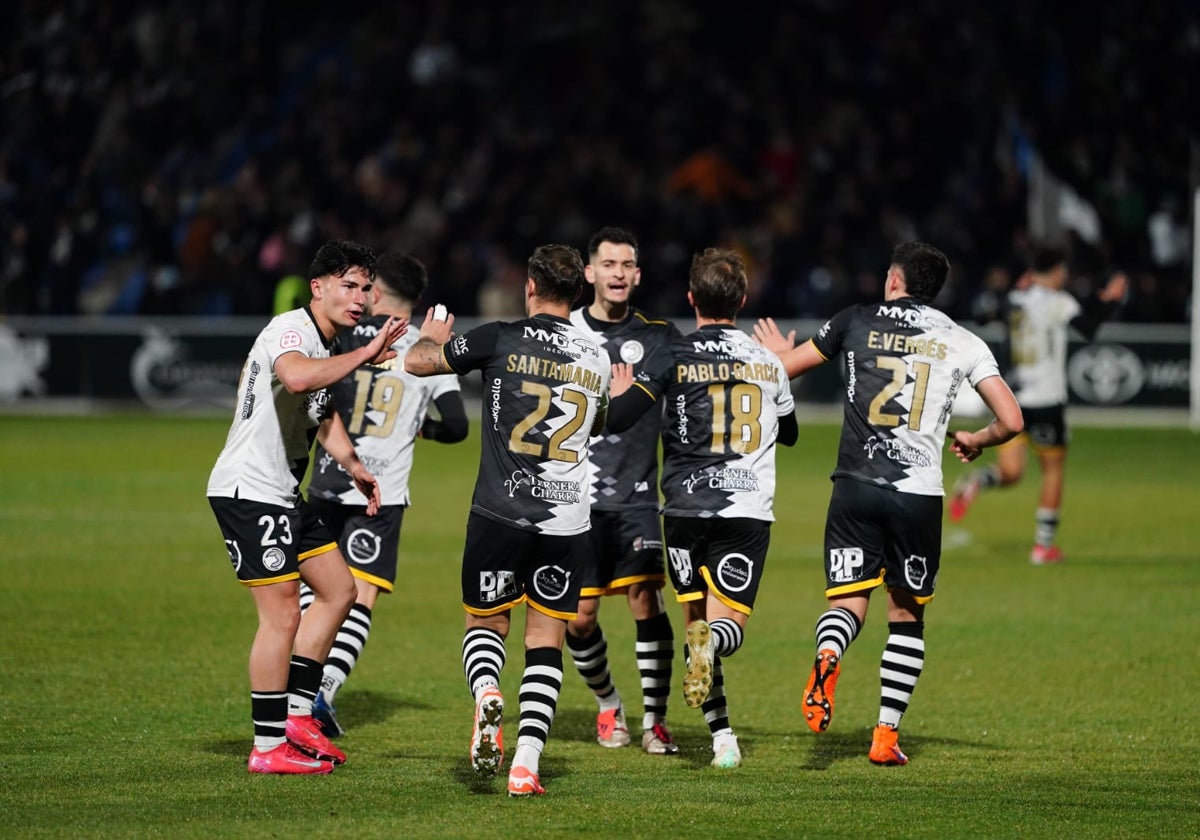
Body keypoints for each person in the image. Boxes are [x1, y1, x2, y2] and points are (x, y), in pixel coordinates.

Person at [754, 241, 1023, 766]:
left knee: (848, 602)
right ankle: (884, 737)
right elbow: (1013, 421)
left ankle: (829, 653)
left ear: (894, 281)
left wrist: (772, 352)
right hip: (917, 495)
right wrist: (977, 440)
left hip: (855, 485)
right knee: (906, 614)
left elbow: (782, 370)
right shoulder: (962, 341)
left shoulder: (854, 319)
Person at [403, 244, 610, 797]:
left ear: (530, 287)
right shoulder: (596, 357)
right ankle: (526, 765)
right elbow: (598, 424)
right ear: (582, 293)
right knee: (546, 640)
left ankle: (488, 691)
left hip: (500, 511)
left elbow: (416, 362)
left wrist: (436, 342)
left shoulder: (499, 337)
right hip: (566, 520)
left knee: (486, 624)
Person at [206, 240, 408, 774]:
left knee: (340, 590)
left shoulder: (325, 344)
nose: (361, 297)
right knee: (281, 616)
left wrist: (354, 465)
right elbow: (295, 377)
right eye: (349, 285)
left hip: (281, 493)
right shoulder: (291, 330)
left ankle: (296, 716)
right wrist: (366, 354)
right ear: (317, 288)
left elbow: (320, 414)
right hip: (249, 490)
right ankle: (268, 747)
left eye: (366, 287)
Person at [606, 247, 798, 769]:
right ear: (742, 300)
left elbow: (621, 418)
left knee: (695, 623)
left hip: (685, 507)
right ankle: (719, 720)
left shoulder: (672, 353)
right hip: (745, 510)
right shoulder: (768, 363)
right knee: (720, 629)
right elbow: (793, 433)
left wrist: (622, 391)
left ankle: (724, 739)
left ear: (691, 299)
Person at [303, 251, 469, 737]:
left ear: (374, 293)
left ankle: (295, 684)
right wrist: (423, 432)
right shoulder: (424, 349)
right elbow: (457, 425)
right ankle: (324, 689)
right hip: (383, 494)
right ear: (414, 300)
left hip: (329, 480)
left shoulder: (339, 338)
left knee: (312, 591)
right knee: (361, 596)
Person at [566, 227, 683, 755]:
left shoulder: (660, 335)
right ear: (589, 273)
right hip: (573, 497)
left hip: (636, 497)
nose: (617, 273)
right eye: (608, 264)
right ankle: (608, 704)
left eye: (626, 265)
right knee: (579, 617)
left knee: (645, 599)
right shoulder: (562, 333)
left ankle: (655, 719)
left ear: (637, 275)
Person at [948, 244, 1128, 563]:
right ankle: (1043, 546)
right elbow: (1088, 328)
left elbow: (983, 314)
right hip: (1046, 398)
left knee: (1012, 471)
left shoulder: (1015, 299)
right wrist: (1111, 298)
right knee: (1053, 470)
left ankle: (976, 481)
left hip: (1013, 398)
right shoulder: (1059, 302)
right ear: (1058, 271)